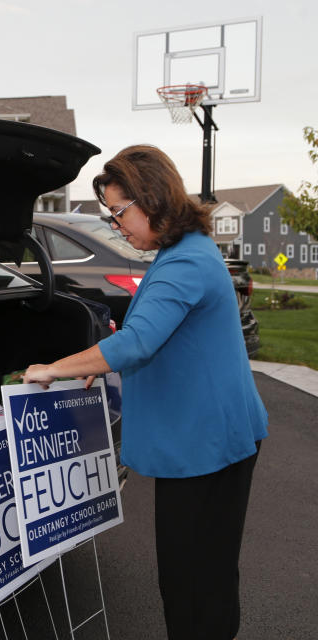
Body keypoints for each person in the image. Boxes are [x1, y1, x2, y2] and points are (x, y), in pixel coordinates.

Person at [23, 145, 268, 640]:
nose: (116, 225)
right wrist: (97, 364)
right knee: (210, 574)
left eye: (119, 212)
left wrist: (54, 369)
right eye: (110, 216)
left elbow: (137, 342)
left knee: (191, 582)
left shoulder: (184, 263)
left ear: (150, 196)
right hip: (213, 435)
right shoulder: (185, 250)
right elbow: (149, 334)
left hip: (206, 445)